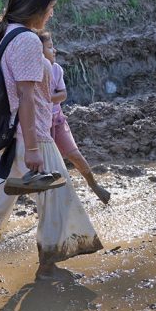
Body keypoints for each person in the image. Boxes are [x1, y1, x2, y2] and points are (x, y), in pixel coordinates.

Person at [0, 0, 103, 281]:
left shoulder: (2, 33)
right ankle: (48, 265)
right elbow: (26, 97)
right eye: (51, 6)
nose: (52, 12)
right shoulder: (26, 40)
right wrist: (35, 146)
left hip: (7, 135)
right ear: (38, 5)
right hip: (29, 135)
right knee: (57, 199)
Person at [39, 30, 110, 204]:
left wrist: (44, 98)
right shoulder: (32, 72)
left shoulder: (56, 69)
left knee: (75, 155)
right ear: (38, 53)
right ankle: (50, 202)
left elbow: (62, 94)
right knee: (47, 165)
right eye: (49, 47)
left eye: (53, 46)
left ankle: (94, 185)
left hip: (58, 120)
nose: (54, 50)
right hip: (41, 126)